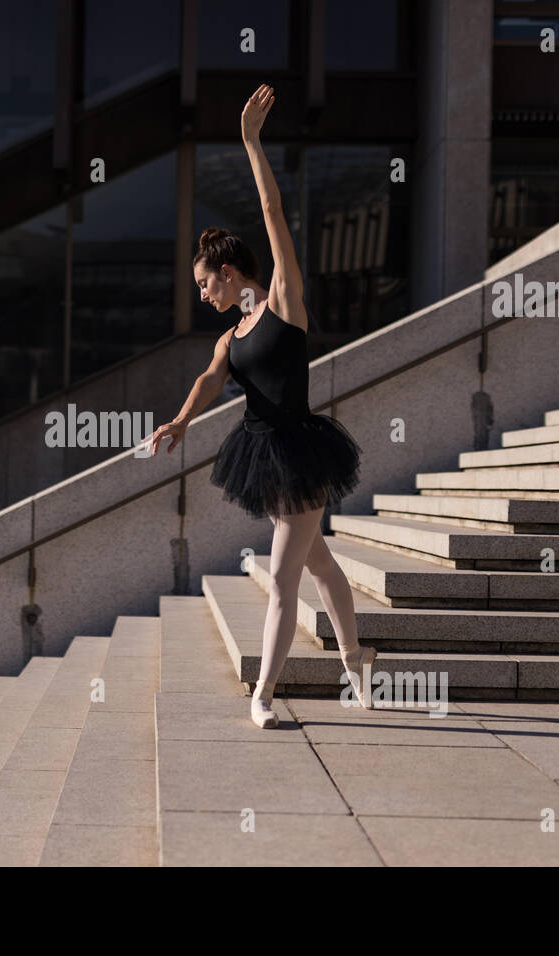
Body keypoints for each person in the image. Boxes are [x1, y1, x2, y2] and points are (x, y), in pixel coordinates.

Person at [142, 84, 378, 727]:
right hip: (265, 455)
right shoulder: (229, 336)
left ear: (226, 270)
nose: (202, 295)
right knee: (322, 567)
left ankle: (264, 695)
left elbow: (273, 212)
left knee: (282, 578)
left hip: (301, 451)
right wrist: (181, 420)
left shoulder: (280, 302)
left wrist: (250, 141)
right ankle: (359, 660)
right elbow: (210, 380)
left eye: (204, 283)